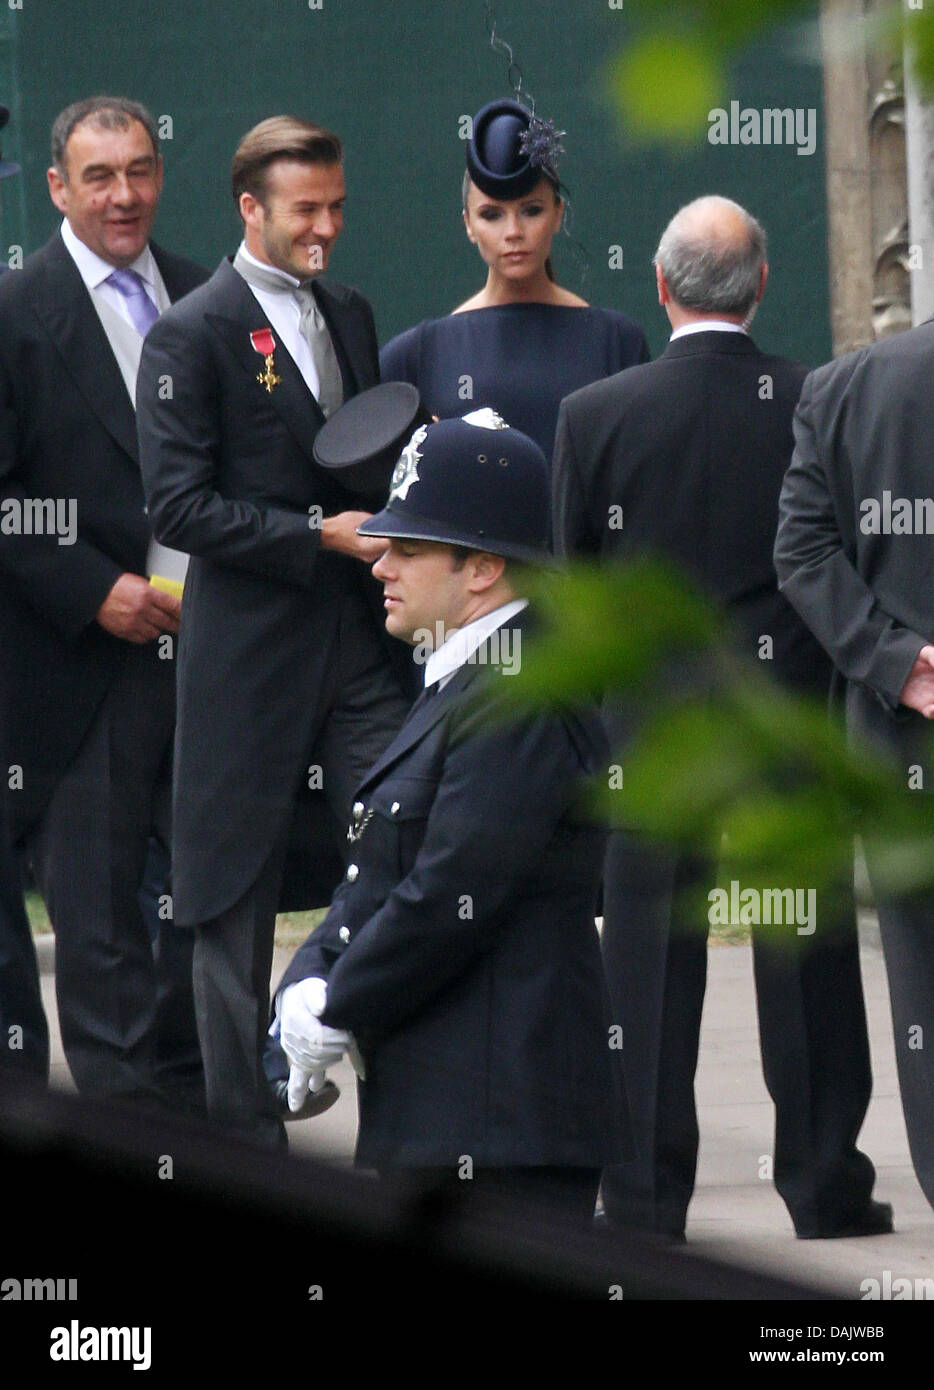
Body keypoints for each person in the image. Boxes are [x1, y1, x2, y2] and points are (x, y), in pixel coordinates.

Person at [553, 195, 889, 1241]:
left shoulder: (594, 414)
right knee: (807, 968)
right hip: (786, 728)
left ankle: (645, 1198)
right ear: (763, 285)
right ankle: (823, 1186)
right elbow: (833, 566)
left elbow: (577, 588)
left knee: (646, 972)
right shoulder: (815, 400)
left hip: (650, 740)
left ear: (659, 288)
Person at [274, 410, 628, 1224]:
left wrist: (339, 1003)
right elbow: (377, 874)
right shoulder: (461, 681)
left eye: (409, 548)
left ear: (483, 569)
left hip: (506, 1125)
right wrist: (306, 985)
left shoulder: (523, 695)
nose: (381, 567)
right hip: (448, 1113)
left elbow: (451, 891)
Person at [136, 117, 411, 1147]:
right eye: (308, 210)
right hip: (246, 659)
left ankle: (407, 1127)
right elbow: (177, 507)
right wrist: (317, 533)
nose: (327, 228)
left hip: (358, 646)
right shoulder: (191, 333)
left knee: (396, 855)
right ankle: (249, 1143)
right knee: (227, 899)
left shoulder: (350, 311)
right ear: (250, 208)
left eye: (337, 206)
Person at [0, 96, 208, 1106]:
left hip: (215, 656)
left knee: (208, 906)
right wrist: (98, 589)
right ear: (57, 188)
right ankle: (135, 1132)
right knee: (100, 926)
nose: (123, 196)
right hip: (82, 671)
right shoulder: (12, 314)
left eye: (140, 171)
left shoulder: (210, 295)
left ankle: (214, 1120)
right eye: (98, 177)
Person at [774, 292, 934, 1215]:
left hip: (900, 734)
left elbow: (800, 554)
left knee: (921, 969)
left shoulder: (844, 388)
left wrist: (895, 661)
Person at [379, 99, 649, 460]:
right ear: (468, 225)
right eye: (492, 215)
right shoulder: (414, 357)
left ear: (557, 214)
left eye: (531, 210)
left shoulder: (617, 344)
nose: (513, 232)